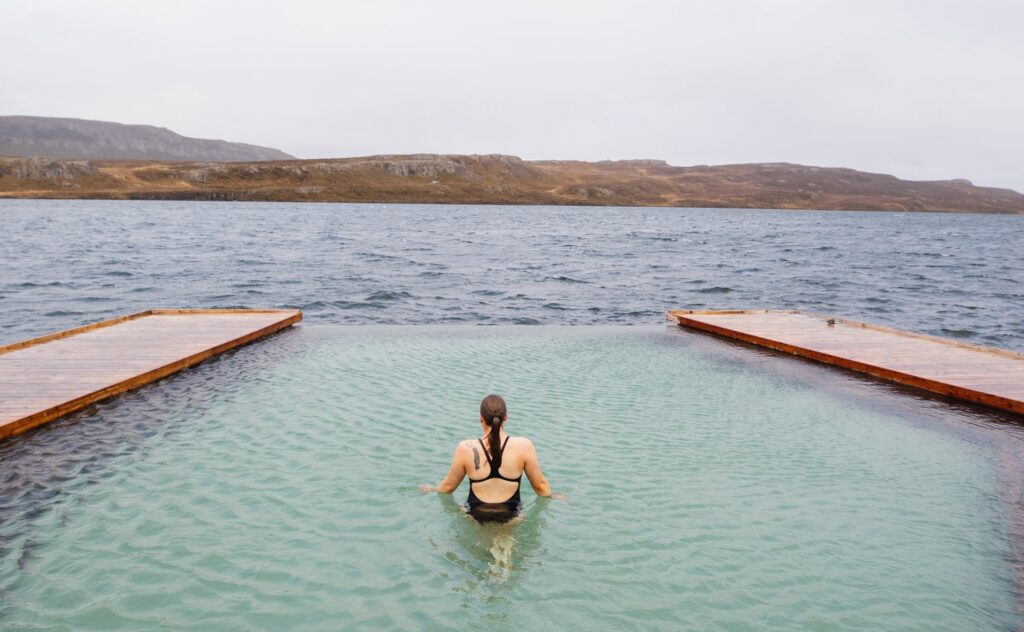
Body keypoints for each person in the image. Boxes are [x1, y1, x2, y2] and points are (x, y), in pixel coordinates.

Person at [420, 394, 555, 523]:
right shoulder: (524, 446)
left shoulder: (465, 448)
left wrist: (432, 489)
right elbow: (540, 486)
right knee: (508, 534)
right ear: (505, 417)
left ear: (481, 418)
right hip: (511, 516)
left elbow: (448, 487)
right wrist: (554, 496)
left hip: (474, 516)